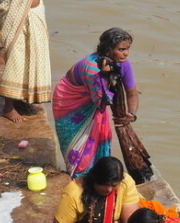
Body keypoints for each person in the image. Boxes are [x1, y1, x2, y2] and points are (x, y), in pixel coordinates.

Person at [53, 28, 140, 179]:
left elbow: (132, 93)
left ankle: (98, 176)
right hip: (70, 102)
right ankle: (79, 177)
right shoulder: (92, 68)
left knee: (99, 142)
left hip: (96, 102)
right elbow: (100, 102)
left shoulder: (123, 64)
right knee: (76, 146)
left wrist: (131, 115)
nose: (126, 53)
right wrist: (105, 75)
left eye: (127, 49)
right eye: (121, 49)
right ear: (108, 50)